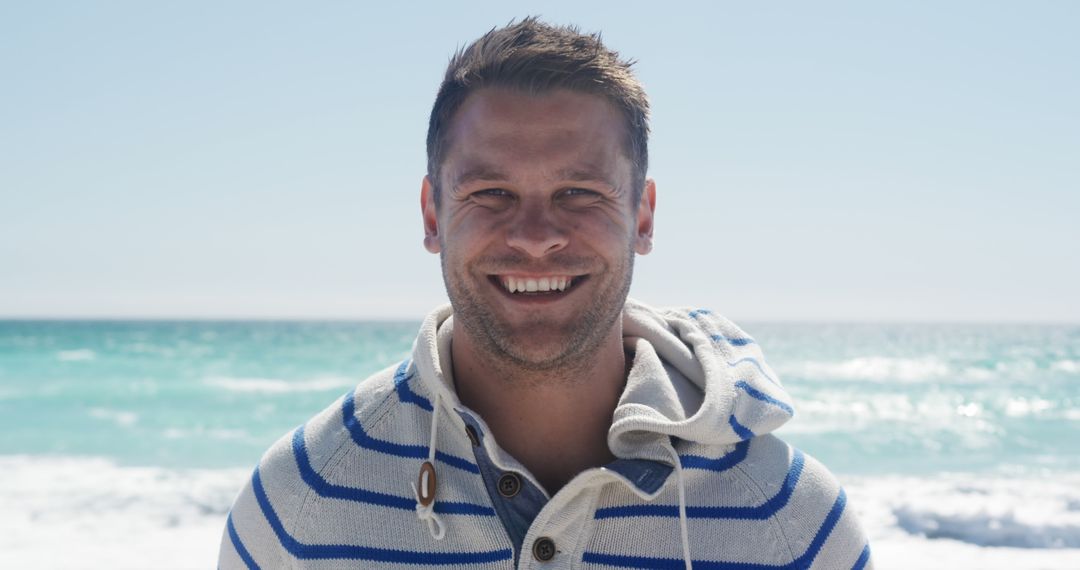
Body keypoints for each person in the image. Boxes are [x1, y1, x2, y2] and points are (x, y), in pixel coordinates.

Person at [219, 18, 872, 569]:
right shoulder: (300, 506)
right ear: (431, 214)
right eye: (491, 193)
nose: (535, 238)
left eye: (578, 194)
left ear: (642, 217)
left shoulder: (793, 525)